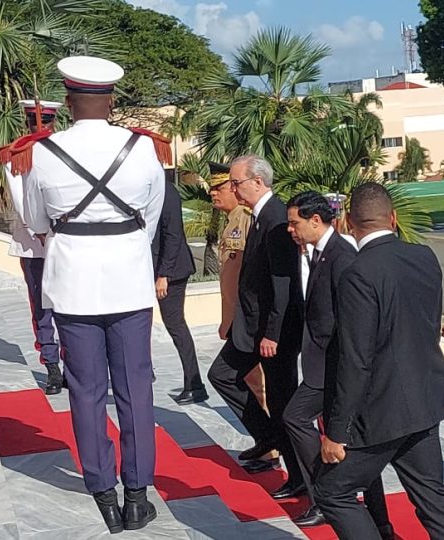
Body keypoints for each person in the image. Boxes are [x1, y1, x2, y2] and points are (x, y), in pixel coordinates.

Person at [22, 55, 166, 533]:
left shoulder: (45, 151)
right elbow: (150, 217)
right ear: (112, 100)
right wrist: (125, 248)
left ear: (68, 102)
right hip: (128, 280)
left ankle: (103, 492)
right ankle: (137, 496)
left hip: (73, 283)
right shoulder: (141, 148)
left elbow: (36, 221)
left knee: (85, 391)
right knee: (135, 388)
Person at [314, 183, 444, 540]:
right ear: (393, 218)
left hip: (381, 411)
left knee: (332, 492)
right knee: (432, 497)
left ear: (348, 222)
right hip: (424, 398)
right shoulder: (423, 256)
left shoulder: (358, 273)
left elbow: (356, 359)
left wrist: (336, 431)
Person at [282, 191, 393, 537]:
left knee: (295, 417)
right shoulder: (319, 252)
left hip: (334, 366)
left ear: (316, 220)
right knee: (355, 448)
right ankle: (380, 521)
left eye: (294, 223)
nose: (290, 230)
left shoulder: (342, 256)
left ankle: (324, 494)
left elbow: (349, 319)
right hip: (322, 362)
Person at [207, 155, 304, 499]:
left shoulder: (276, 218)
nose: (232, 189)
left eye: (236, 183)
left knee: (282, 403)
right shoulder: (261, 216)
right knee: (222, 375)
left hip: (272, 332)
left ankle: (300, 477)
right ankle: (268, 436)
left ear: (258, 182)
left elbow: (282, 284)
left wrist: (272, 334)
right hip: (251, 326)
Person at [208, 162, 277, 472]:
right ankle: (267, 442)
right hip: (238, 318)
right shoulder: (233, 220)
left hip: (247, 320)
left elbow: (242, 278)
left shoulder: (246, 218)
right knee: (243, 379)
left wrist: (234, 319)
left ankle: (270, 447)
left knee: (252, 383)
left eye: (221, 187)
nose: (215, 193)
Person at [1, 99, 63, 395]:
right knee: (41, 305)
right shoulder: (17, 153)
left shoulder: (63, 149)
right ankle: (51, 364)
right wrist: (38, 231)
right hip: (34, 243)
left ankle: (72, 362)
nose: (41, 127)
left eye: (44, 122)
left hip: (63, 239)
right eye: (37, 122)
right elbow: (19, 197)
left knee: (68, 303)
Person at [151, 177, 205, 405]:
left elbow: (173, 234)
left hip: (170, 271)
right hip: (149, 268)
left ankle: (195, 384)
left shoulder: (166, 191)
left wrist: (164, 274)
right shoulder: (146, 187)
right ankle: (144, 372)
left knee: (175, 325)